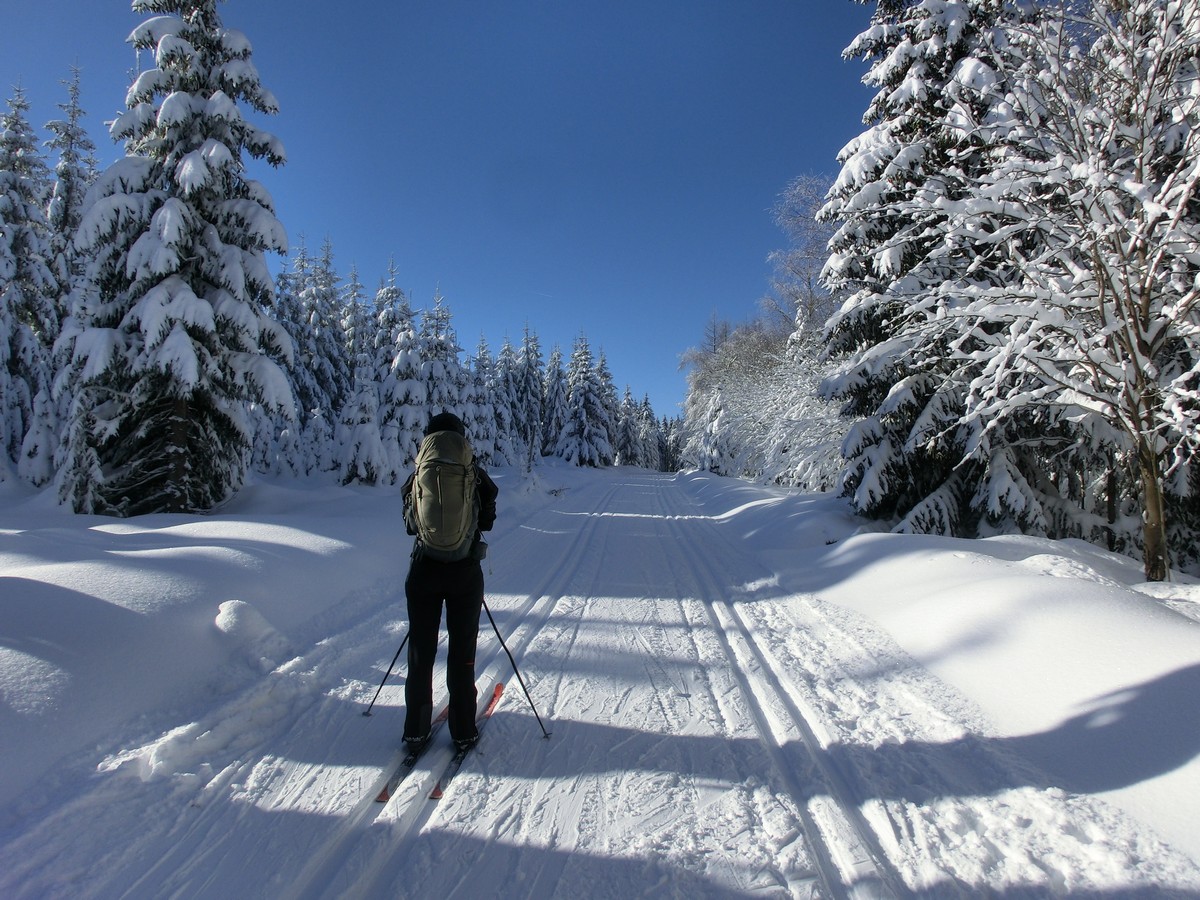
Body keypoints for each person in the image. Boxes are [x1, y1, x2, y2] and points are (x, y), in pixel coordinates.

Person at [401, 412, 499, 751]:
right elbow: (487, 519)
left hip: (423, 571)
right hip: (464, 574)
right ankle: (463, 730)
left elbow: (411, 526)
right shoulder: (475, 474)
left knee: (420, 652)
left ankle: (415, 730)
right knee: (462, 653)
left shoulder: (418, 475)